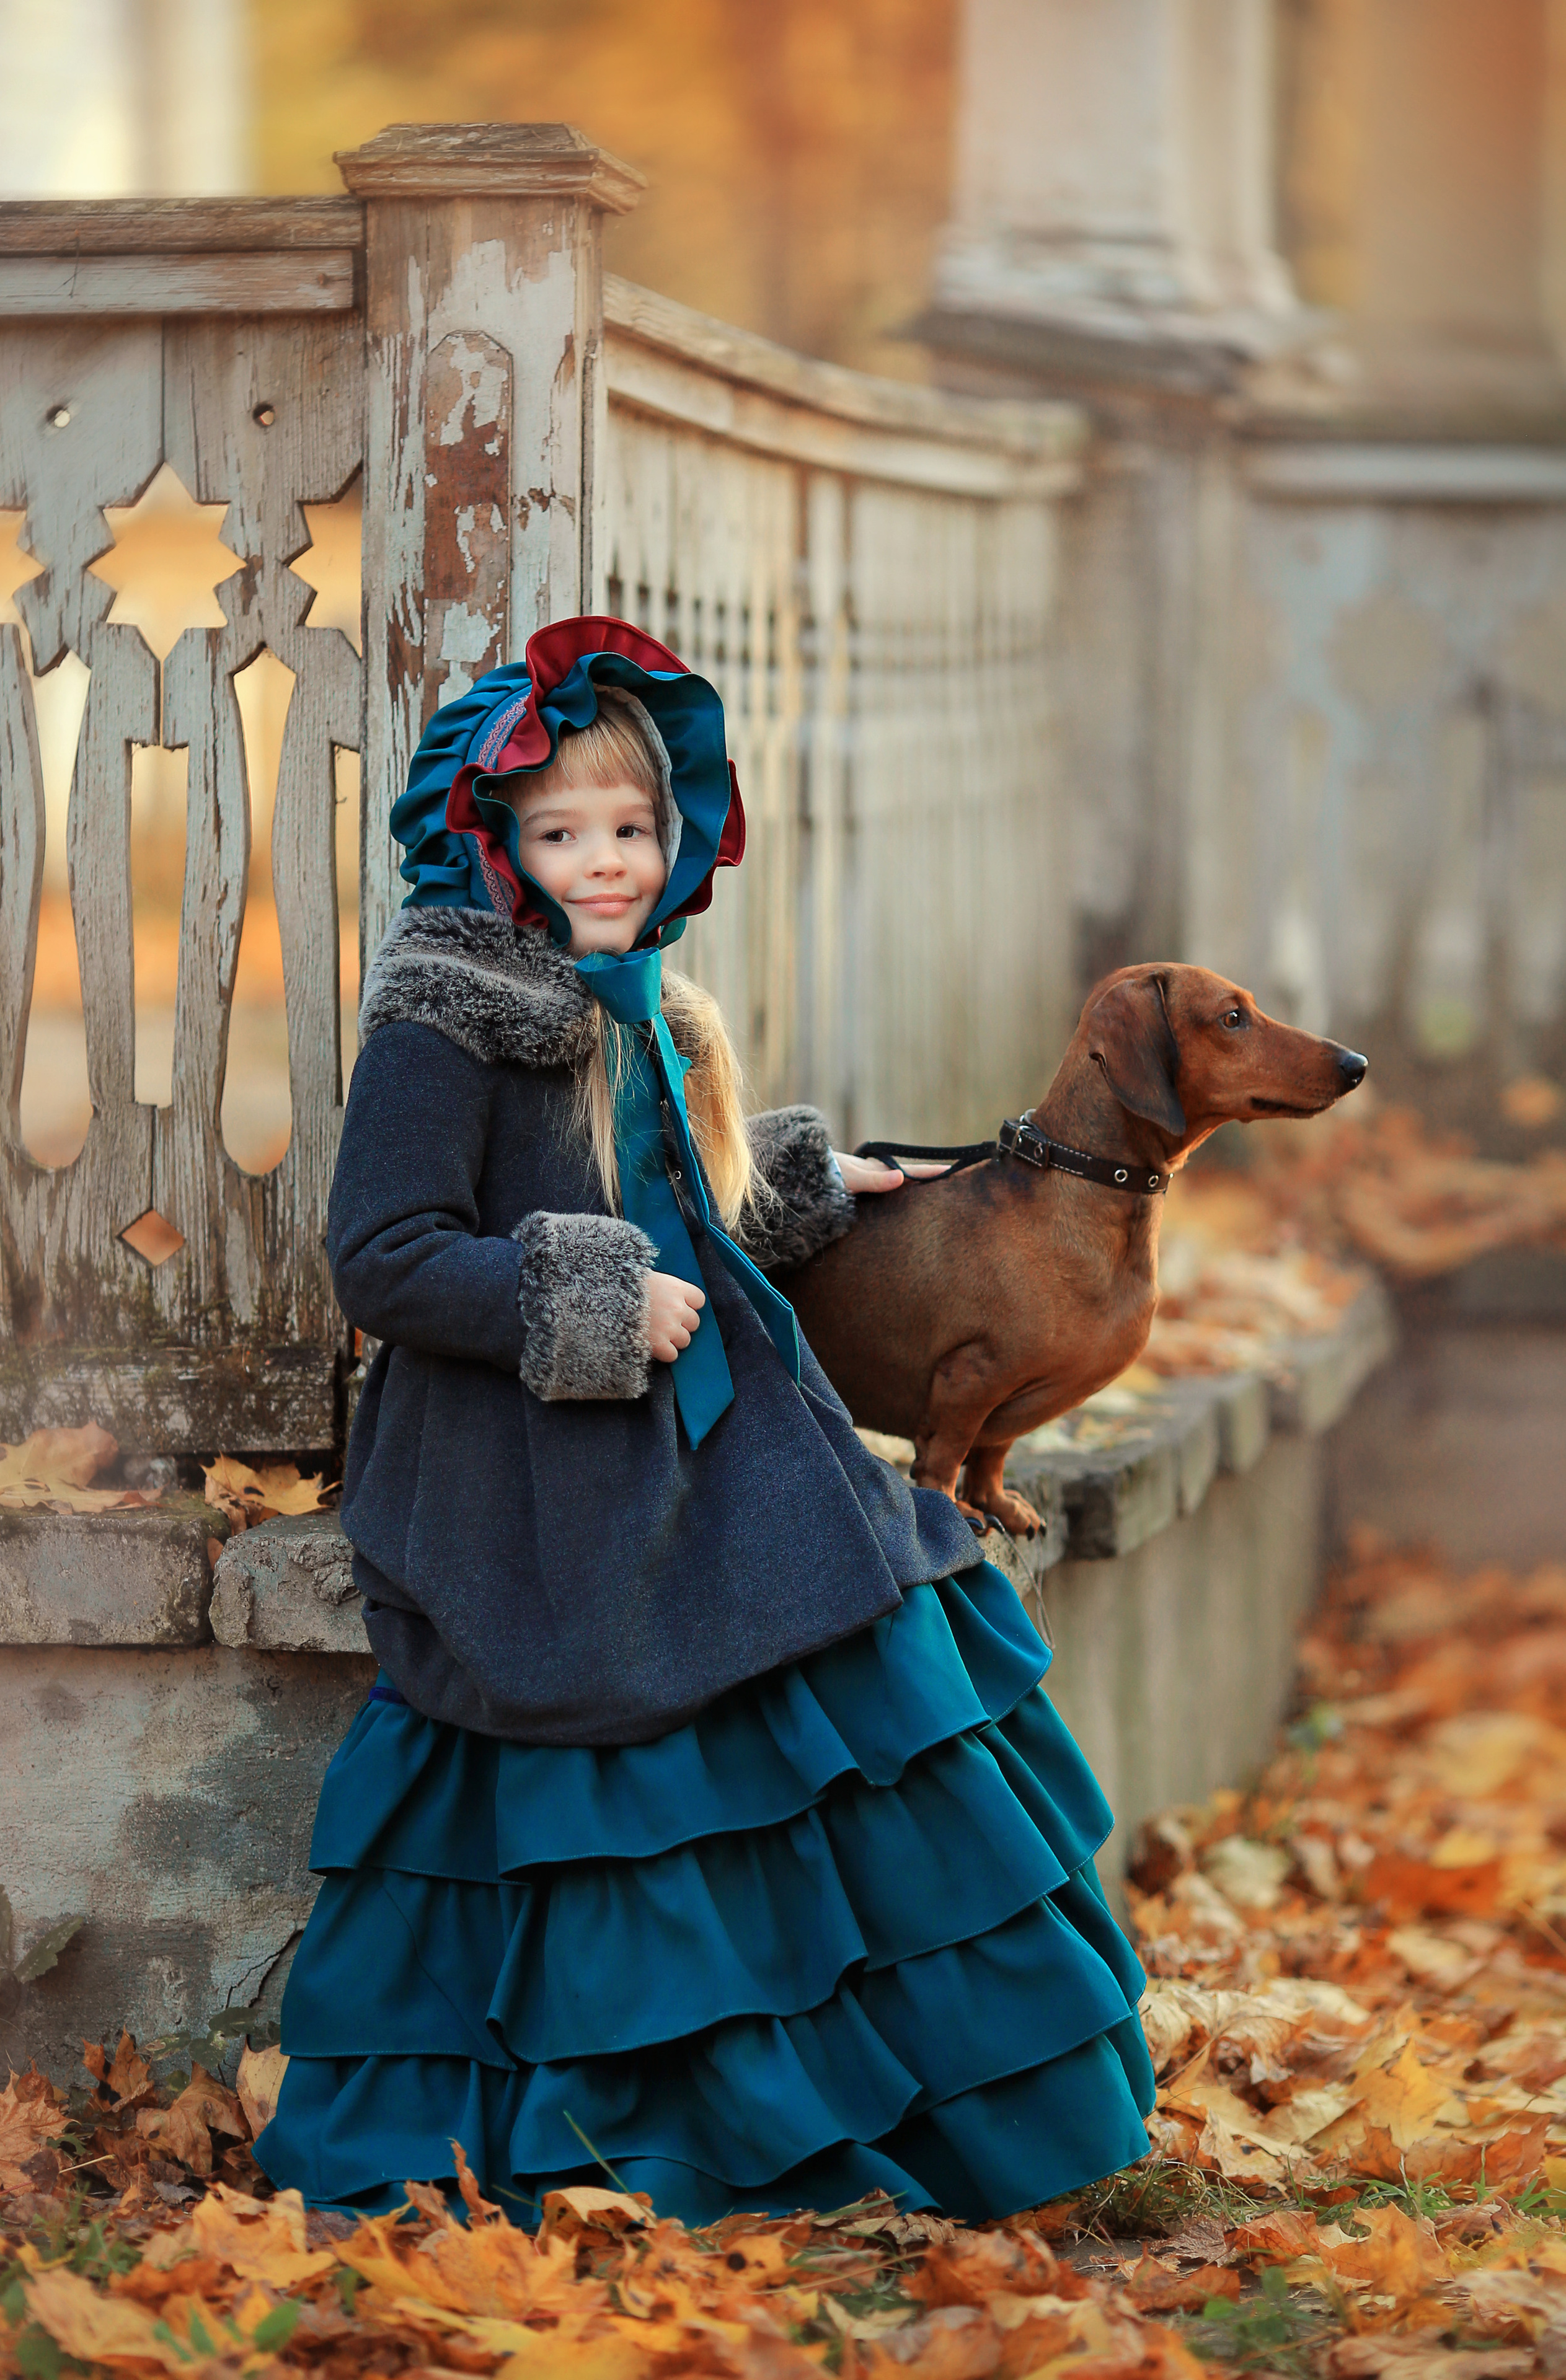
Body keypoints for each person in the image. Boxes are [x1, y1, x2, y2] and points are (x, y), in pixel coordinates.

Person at [255, 615, 1154, 2224]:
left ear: (676, 837)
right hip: (532, 1476)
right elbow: (383, 1258)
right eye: (560, 832)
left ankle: (892, 2103)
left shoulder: (648, 1008)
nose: (603, 860)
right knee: (615, 1758)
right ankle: (639, 2127)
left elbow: (678, 1201)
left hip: (723, 1430)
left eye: (632, 828)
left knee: (864, 1647)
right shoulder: (447, 1018)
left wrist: (803, 1187)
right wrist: (587, 1297)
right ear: (497, 843)